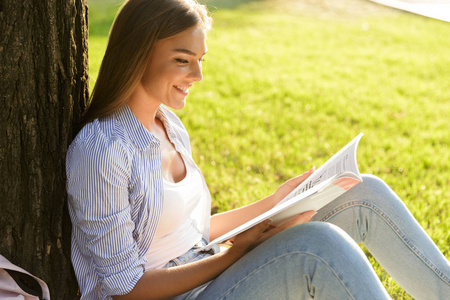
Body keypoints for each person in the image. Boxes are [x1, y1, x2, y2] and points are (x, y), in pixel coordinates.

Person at [66, 0, 450, 299]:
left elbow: (191, 232)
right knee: (318, 246)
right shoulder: (102, 149)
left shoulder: (168, 124)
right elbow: (126, 288)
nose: (197, 76)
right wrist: (232, 256)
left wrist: (274, 203)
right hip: (182, 293)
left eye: (200, 61)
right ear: (137, 53)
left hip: (209, 268)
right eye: (182, 60)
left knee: (363, 191)